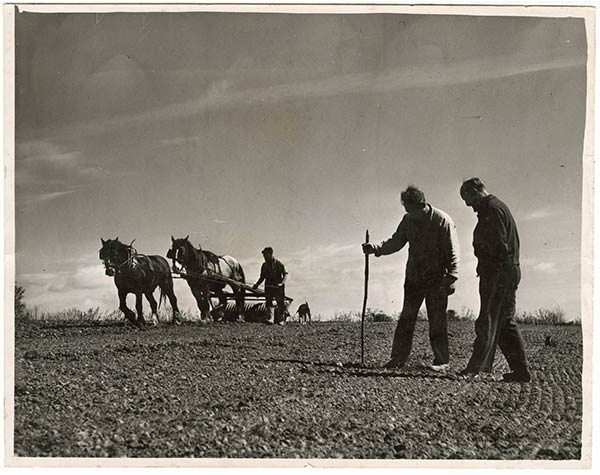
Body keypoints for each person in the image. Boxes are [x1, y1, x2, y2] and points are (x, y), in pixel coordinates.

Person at [362, 186, 460, 371]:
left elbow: (453, 250)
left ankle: (442, 361)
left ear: (419, 205)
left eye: (408, 208)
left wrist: (453, 276)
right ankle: (398, 358)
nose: (406, 212)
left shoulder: (442, 220)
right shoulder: (408, 220)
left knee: (437, 320)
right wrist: (375, 248)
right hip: (414, 277)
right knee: (407, 317)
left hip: (437, 279)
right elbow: (396, 241)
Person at [458, 178, 531, 382]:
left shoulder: (491, 209)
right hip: (508, 271)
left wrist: (481, 254)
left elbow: (499, 247)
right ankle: (521, 371)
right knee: (505, 323)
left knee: (487, 320)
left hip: (498, 273)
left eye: (467, 198)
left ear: (475, 191)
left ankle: (474, 368)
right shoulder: (497, 207)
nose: (467, 205)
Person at [252, 247, 288, 325]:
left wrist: (282, 283)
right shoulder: (264, 265)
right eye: (264, 256)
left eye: (265, 255)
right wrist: (256, 285)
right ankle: (270, 318)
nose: (264, 257)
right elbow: (262, 277)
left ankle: (281, 320)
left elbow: (285, 274)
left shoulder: (279, 264)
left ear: (270, 254)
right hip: (268, 286)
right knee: (268, 301)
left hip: (278, 287)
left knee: (280, 302)